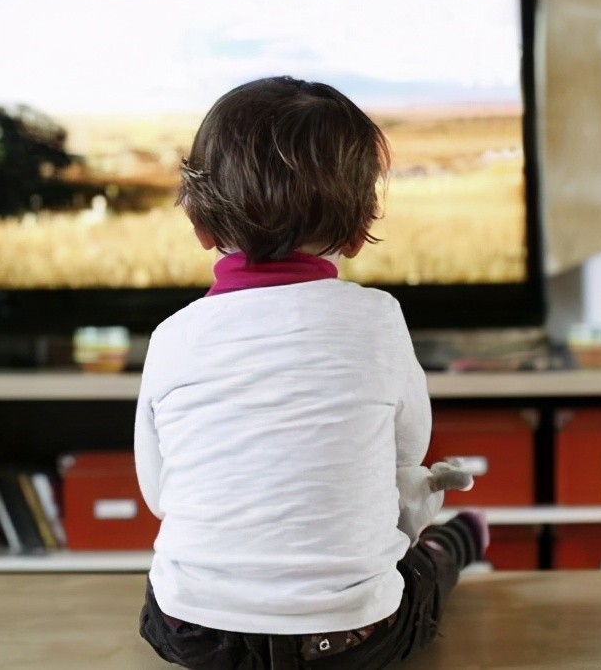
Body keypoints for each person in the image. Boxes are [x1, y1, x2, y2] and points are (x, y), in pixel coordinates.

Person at [134, 76, 489, 669]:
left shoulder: (171, 337)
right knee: (423, 565)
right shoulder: (378, 320)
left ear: (200, 224)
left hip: (193, 633)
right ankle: (465, 538)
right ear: (358, 231)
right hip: (351, 642)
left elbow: (160, 494)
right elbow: (407, 459)